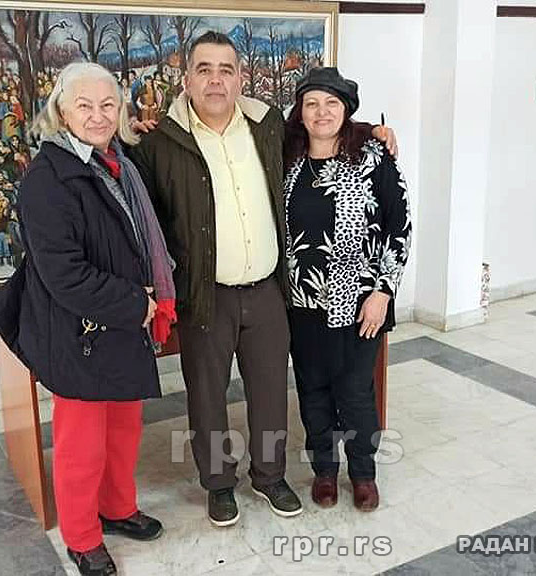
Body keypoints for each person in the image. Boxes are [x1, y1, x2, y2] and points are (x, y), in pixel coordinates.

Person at [130, 31, 397, 527]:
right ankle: (218, 484)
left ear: (240, 78)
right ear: (186, 79)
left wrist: (372, 132)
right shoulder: (160, 143)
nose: (215, 80)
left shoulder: (268, 126)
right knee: (207, 397)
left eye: (225, 70)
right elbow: (140, 215)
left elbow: (325, 128)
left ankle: (270, 476)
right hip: (205, 296)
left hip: (270, 293)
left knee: (272, 392)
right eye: (204, 69)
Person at [0, 61, 178, 576]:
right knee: (82, 445)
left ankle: (117, 508)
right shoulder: (46, 178)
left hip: (121, 326)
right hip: (80, 331)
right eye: (84, 105)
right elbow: (64, 275)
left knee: (123, 430)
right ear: (61, 111)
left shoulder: (120, 162)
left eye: (107, 105)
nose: (98, 115)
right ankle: (81, 537)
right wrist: (137, 303)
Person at [282, 68, 411, 512]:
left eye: (331, 103)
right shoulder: (287, 157)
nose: (321, 112)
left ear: (346, 110)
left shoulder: (374, 157)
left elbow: (400, 227)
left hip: (360, 302)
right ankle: (324, 470)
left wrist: (383, 292)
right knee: (312, 390)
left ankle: (363, 473)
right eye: (312, 104)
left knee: (355, 392)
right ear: (300, 113)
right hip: (301, 303)